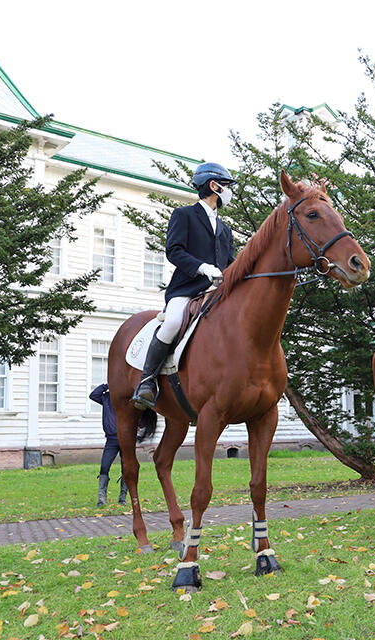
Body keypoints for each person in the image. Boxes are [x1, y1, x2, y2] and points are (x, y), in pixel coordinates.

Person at [132, 162, 237, 410]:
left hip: (217, 291)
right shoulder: (184, 215)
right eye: (227, 186)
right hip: (186, 289)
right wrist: (203, 268)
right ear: (214, 186)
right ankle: (147, 381)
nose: (229, 191)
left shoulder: (225, 229)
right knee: (172, 322)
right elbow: (174, 251)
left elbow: (231, 263)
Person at [89, 383, 128, 507]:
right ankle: (101, 499)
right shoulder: (106, 398)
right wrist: (107, 384)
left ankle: (123, 498)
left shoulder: (125, 399)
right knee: (104, 468)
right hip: (111, 440)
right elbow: (93, 395)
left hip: (125, 439)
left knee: (126, 469)